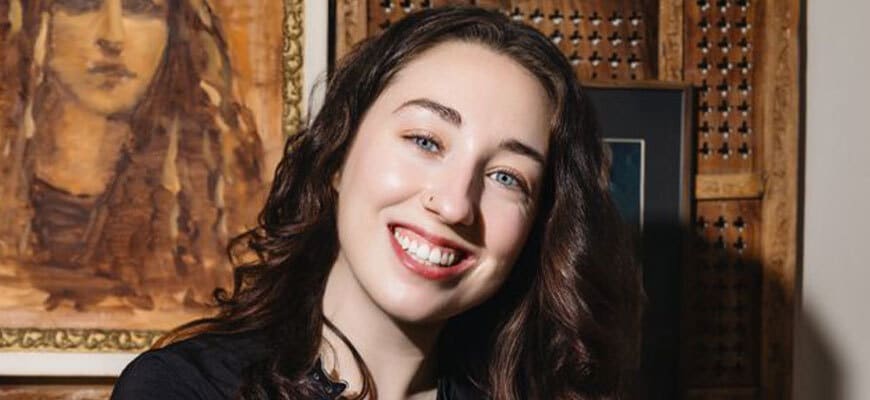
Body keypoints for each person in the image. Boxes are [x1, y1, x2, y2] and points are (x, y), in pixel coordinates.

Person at [112, 5, 643, 400]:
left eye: (506, 176)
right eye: (426, 141)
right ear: (338, 156)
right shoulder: (183, 389)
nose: (456, 204)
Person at [0, 0, 263, 310]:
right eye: (81, 5)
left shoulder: (216, 205)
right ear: (33, 20)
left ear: (175, 29)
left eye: (140, 7)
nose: (113, 37)